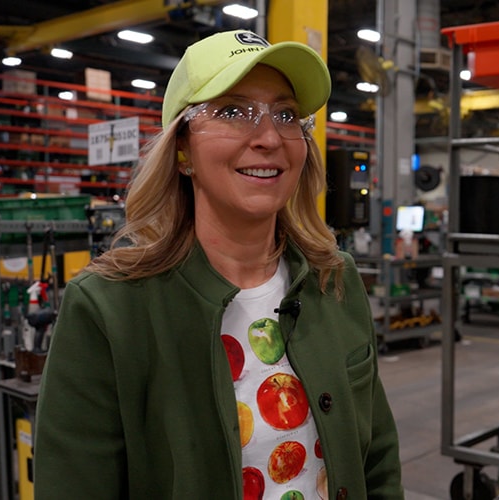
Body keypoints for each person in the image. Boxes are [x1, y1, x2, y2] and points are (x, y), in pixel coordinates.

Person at [34, 29, 404, 500]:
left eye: (286, 114)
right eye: (233, 111)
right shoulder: (109, 308)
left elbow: (378, 459)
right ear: (183, 149)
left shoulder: (334, 279)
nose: (269, 137)